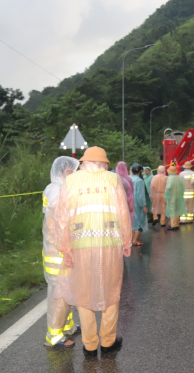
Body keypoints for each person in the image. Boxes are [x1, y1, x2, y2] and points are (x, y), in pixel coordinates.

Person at [53, 146, 132, 358]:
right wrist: (127, 241)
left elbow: (61, 218)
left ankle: (89, 345)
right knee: (111, 292)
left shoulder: (70, 181)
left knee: (83, 293)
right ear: (104, 163)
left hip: (80, 246)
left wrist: (65, 248)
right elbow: (123, 212)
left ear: (83, 163)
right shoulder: (113, 179)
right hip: (110, 245)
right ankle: (108, 341)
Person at [42, 156, 80, 347]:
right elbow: (63, 225)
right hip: (59, 251)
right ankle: (54, 335)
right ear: (66, 172)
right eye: (73, 171)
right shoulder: (58, 194)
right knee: (61, 293)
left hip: (53, 248)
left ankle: (67, 325)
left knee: (65, 290)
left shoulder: (52, 188)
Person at [130, 163, 150, 246]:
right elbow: (140, 196)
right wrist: (144, 205)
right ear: (140, 171)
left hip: (130, 202)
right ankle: (135, 240)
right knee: (140, 221)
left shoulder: (130, 179)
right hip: (137, 204)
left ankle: (132, 239)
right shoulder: (139, 181)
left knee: (133, 222)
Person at [164, 165, 186, 231]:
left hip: (172, 197)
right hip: (179, 196)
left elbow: (168, 188)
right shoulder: (179, 178)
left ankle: (173, 225)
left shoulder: (170, 178)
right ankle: (176, 224)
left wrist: (166, 196)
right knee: (177, 210)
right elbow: (183, 187)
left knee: (172, 210)